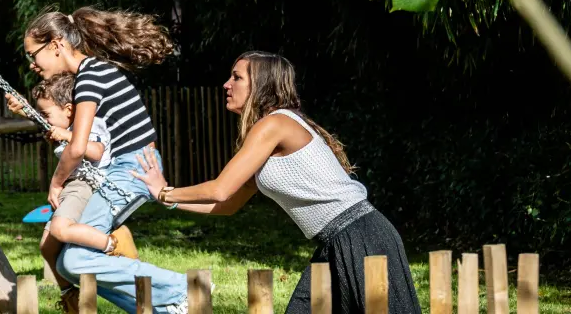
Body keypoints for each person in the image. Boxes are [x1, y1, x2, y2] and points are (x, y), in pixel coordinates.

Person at [129, 52, 420, 314]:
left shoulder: (273, 125)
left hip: (362, 236)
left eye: (237, 77)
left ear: (261, 86)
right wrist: (167, 199)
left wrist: (166, 192)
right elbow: (227, 205)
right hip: (334, 242)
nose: (226, 84)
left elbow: (220, 188)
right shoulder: (268, 131)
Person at [5, 7, 188, 313]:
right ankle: (162, 309)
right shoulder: (90, 75)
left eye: (32, 54)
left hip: (134, 168)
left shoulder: (90, 77)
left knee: (74, 259)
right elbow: (67, 121)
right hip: (125, 168)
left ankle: (181, 289)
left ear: (56, 44)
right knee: (67, 262)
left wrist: (56, 183)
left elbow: (77, 147)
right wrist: (29, 111)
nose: (32, 64)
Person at [30, 74, 138, 310]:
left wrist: (68, 136)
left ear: (68, 109)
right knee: (47, 246)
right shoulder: (67, 124)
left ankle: (114, 242)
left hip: (85, 185)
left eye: (46, 115)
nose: (43, 121)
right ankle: (70, 295)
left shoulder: (89, 124)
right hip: (73, 186)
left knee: (59, 230)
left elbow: (96, 151)